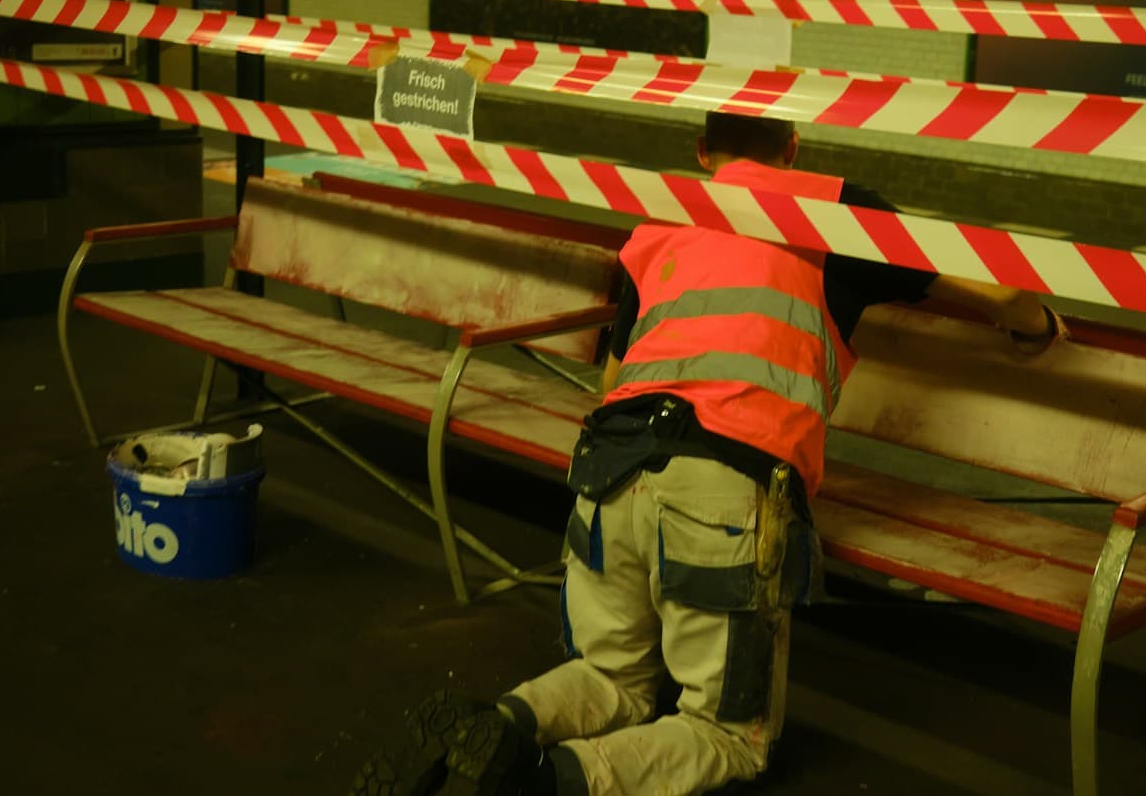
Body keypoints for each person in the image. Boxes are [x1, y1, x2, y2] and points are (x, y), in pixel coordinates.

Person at [354, 112, 1065, 796]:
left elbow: (612, 378)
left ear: (703, 150)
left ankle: (498, 723)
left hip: (608, 468)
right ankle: (539, 780)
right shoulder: (833, 209)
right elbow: (996, 291)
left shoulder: (662, 219)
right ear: (794, 144)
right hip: (724, 483)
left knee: (610, 676)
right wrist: (1038, 324)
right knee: (729, 734)